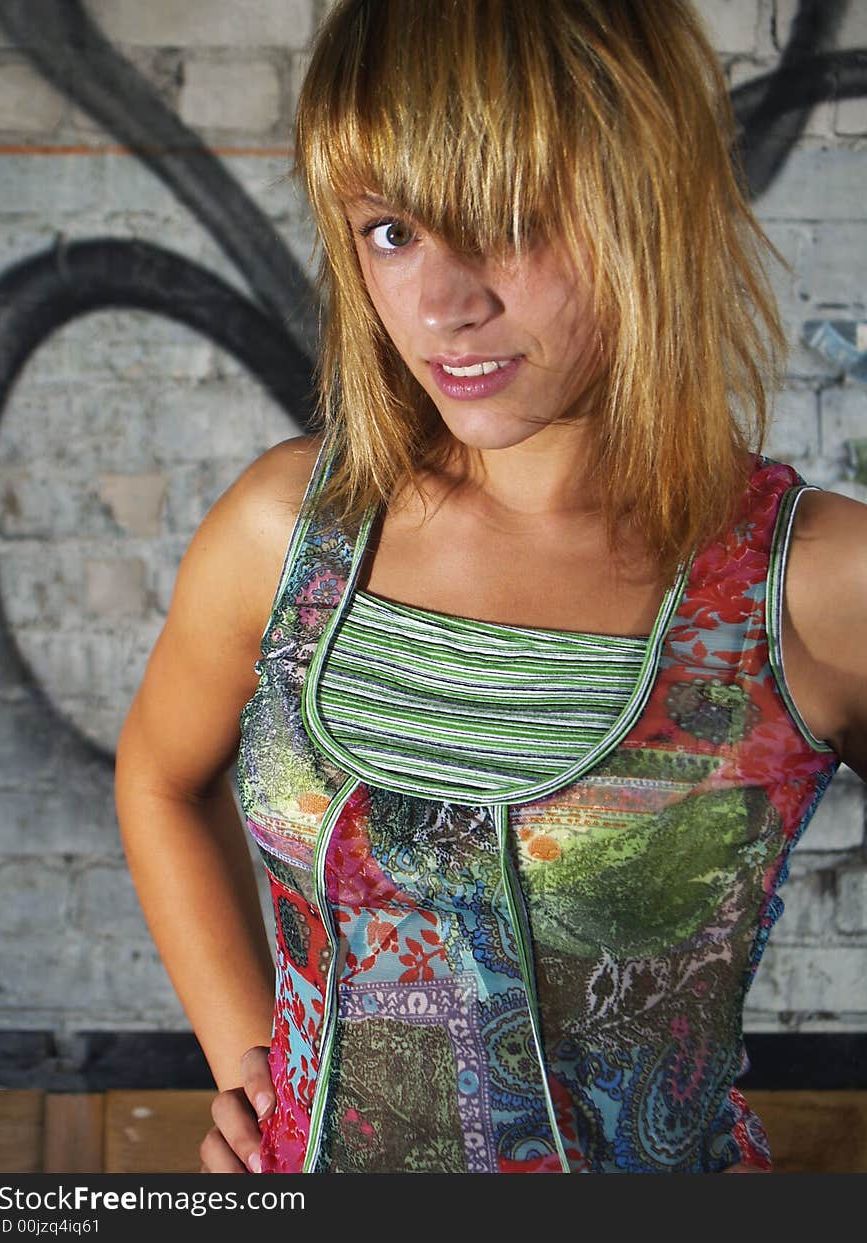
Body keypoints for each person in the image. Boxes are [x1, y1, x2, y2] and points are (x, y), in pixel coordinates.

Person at [115, 0, 867, 1175]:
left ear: (648, 205)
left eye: (511, 221)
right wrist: (256, 1071)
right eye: (391, 231)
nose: (439, 303)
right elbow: (160, 777)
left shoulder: (808, 585)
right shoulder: (289, 531)